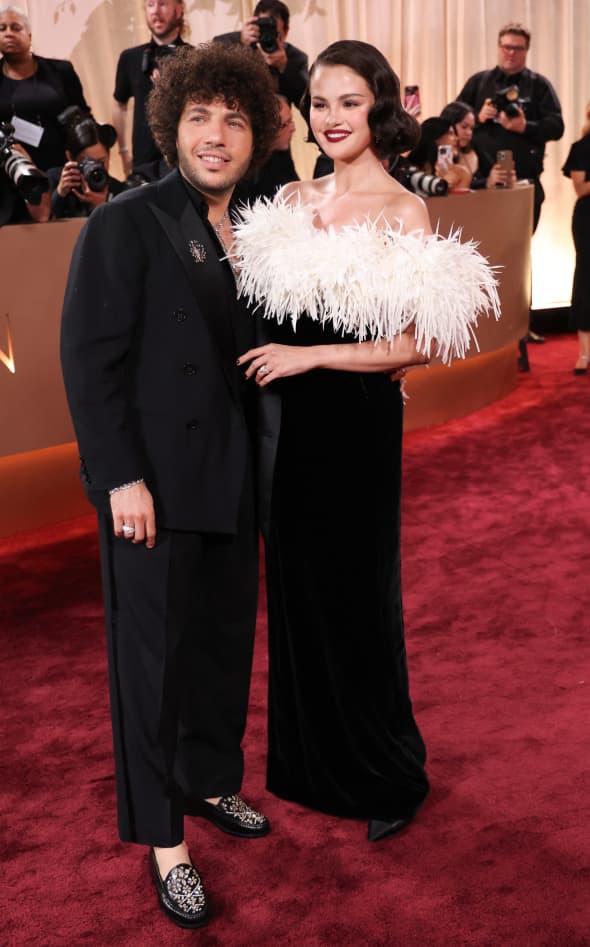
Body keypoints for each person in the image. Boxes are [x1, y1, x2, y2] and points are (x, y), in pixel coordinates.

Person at [233, 41, 499, 842]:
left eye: (349, 102)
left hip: (352, 425)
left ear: (378, 106)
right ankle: (310, 763)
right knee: (297, 588)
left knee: (356, 590)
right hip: (282, 425)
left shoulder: (403, 209)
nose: (332, 117)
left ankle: (383, 771)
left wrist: (309, 355)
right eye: (319, 103)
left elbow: (415, 343)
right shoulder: (288, 197)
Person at [60, 43, 280, 929]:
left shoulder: (262, 229)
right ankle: (165, 841)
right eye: (199, 117)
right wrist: (119, 478)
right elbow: (89, 360)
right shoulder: (128, 220)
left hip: (233, 478)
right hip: (151, 487)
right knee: (151, 669)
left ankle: (210, 780)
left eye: (235, 119)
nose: (216, 134)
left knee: (223, 647)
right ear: (169, 127)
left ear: (257, 135)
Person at [457, 22, 563, 234]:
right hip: (480, 183)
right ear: (498, 47)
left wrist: (525, 126)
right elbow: (451, 120)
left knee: (518, 247)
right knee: (479, 243)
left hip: (524, 182)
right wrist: (477, 117)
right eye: (506, 47)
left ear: (527, 50)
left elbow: (557, 127)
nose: (511, 53)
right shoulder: (479, 82)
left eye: (517, 48)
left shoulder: (539, 85)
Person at [0, 5, 89, 171]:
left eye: (16, 28)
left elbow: (82, 116)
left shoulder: (61, 71)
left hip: (62, 165)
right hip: (12, 169)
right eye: (2, 28)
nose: (8, 33)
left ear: (29, 36)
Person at [112, 0, 188, 175]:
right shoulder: (130, 57)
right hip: (143, 164)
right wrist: (123, 152)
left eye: (163, 4)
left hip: (182, 162)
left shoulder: (193, 58)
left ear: (179, 9)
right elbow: (119, 104)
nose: (155, 11)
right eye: (150, 4)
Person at [213, 1, 308, 111]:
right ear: (253, 25)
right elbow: (217, 84)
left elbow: (307, 106)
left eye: (274, 33)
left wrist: (285, 67)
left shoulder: (296, 59)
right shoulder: (227, 44)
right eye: (263, 31)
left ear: (286, 32)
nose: (268, 37)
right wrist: (242, 46)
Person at [48, 108, 125, 219]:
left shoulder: (119, 191)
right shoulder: (55, 180)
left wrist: (101, 206)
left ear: (109, 156)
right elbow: (44, 224)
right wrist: (59, 194)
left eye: (101, 161)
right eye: (87, 162)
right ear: (70, 157)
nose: (94, 168)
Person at [562, 102, 590, 376]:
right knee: (585, 279)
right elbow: (580, 188)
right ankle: (584, 352)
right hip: (587, 218)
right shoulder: (581, 148)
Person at [439, 101, 516, 189]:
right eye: (464, 127)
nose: (469, 133)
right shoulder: (442, 158)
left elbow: (494, 181)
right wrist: (486, 183)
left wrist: (504, 181)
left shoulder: (477, 150)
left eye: (471, 128)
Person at [238, 94, 298, 202]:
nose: (293, 128)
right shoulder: (246, 173)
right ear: (267, 131)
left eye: (291, 121)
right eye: (285, 125)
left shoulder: (281, 156)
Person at [407, 116, 472, 190]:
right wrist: (441, 185)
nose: (456, 138)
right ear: (435, 137)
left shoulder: (461, 173)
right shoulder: (410, 170)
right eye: (451, 133)